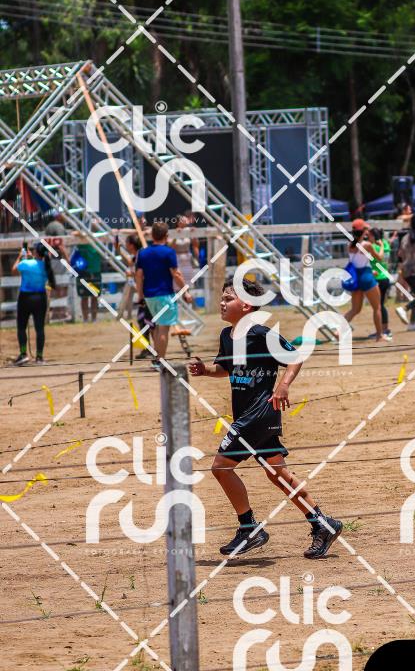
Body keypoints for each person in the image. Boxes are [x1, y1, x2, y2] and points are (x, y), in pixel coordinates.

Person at [188, 276, 342, 559]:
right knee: (277, 474)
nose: (222, 303)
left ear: (247, 305)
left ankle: (249, 528)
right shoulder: (227, 336)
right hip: (252, 415)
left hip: (257, 414)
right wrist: (205, 370)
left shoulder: (261, 334)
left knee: (221, 468)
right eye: (222, 298)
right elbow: (225, 368)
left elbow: (295, 357)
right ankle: (323, 524)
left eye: (228, 299)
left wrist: (283, 386)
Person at [135, 221, 192, 370]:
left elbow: (139, 275)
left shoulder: (142, 253)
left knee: (155, 328)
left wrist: (140, 295)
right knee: (163, 329)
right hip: (165, 295)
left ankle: (157, 359)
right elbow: (176, 274)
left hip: (149, 296)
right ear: (166, 236)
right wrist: (185, 291)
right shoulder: (168, 252)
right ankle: (159, 361)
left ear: (152, 235)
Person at [343, 219, 389, 343]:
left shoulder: (349, 245)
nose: (367, 231)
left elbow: (357, 262)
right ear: (363, 231)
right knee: (377, 307)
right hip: (366, 277)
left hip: (356, 278)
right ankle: (379, 336)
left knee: (355, 309)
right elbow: (379, 258)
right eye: (366, 229)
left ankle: (338, 331)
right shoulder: (367, 245)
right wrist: (381, 246)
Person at [11, 242, 56, 365]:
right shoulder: (46, 266)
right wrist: (31, 258)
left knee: (21, 327)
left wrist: (21, 256)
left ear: (36, 252)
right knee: (39, 328)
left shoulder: (26, 263)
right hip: (40, 298)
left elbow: (14, 270)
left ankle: (23, 353)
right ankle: (39, 356)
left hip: (25, 298)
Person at [45, 211, 69, 321]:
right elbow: (60, 244)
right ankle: (60, 312)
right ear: (58, 215)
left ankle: (53, 312)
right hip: (58, 260)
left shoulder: (49, 226)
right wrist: (67, 259)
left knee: (52, 286)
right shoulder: (59, 226)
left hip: (50, 260)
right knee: (61, 285)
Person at [369, 227, 393, 337]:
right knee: (381, 305)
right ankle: (384, 329)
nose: (368, 238)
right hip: (385, 277)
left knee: (378, 306)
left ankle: (382, 330)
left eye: (369, 236)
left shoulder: (374, 247)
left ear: (374, 236)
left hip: (377, 277)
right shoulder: (386, 244)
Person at [74, 240, 103, 322]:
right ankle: (85, 319)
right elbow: (74, 234)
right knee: (84, 297)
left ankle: (94, 319)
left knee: (94, 297)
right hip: (83, 271)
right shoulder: (82, 239)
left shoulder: (98, 237)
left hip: (95, 271)